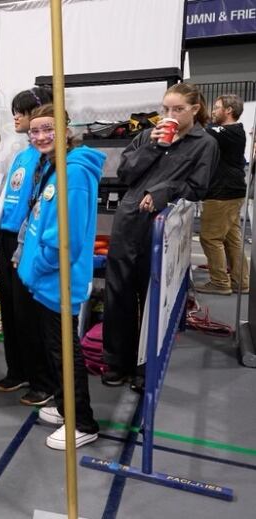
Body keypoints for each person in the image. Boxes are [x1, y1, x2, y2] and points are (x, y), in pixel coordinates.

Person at [103, 83, 219, 391]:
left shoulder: (204, 143)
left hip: (163, 228)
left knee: (152, 297)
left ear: (194, 109)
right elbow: (125, 175)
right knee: (119, 293)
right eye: (166, 109)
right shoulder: (146, 136)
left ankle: (144, 367)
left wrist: (164, 193)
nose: (170, 115)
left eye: (177, 109)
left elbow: (198, 187)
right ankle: (117, 361)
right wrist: (152, 146)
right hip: (129, 221)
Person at [16, 104, 105, 450]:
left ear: (66, 130)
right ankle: (64, 403)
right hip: (43, 278)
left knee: (65, 350)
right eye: (34, 131)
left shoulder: (74, 173)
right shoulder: (55, 166)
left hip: (57, 279)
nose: (39, 136)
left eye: (47, 129)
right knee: (54, 349)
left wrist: (37, 266)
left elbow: (63, 240)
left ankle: (82, 420)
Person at [0, 87, 56, 405]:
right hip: (5, 239)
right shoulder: (21, 154)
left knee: (31, 313)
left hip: (26, 241)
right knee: (13, 311)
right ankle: (18, 370)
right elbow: (4, 201)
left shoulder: (49, 157)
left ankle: (43, 381)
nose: (15, 116)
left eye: (21, 111)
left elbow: (39, 206)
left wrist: (24, 245)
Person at [198, 94, 249, 295]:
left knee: (210, 237)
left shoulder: (230, 131)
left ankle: (220, 282)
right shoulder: (230, 132)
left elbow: (205, 130)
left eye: (217, 107)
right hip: (231, 192)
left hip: (222, 193)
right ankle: (240, 281)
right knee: (231, 237)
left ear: (228, 110)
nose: (213, 111)